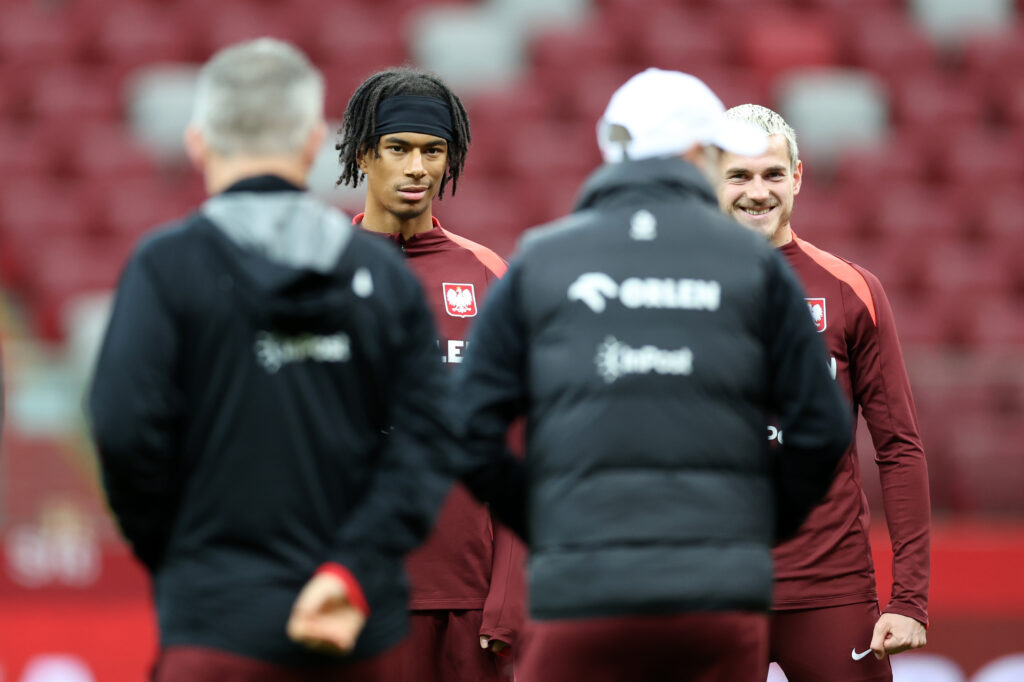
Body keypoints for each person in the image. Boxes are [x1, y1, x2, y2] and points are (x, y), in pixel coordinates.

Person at [449, 68, 852, 681]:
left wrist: (550, 522)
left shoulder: (542, 257)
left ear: (613, 147)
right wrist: (752, 526)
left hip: (582, 589)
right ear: (700, 152)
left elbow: (469, 428)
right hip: (720, 596)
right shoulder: (755, 265)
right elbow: (823, 429)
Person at [88, 38, 455, 681]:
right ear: (314, 142)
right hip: (357, 634)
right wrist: (353, 569)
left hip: (216, 627)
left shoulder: (164, 267)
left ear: (198, 142)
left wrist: (183, 556)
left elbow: (123, 430)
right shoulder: (380, 275)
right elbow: (426, 443)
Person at [716, 104, 930, 682]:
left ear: (798, 177)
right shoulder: (672, 293)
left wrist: (909, 599)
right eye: (738, 175)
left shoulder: (851, 290)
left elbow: (900, 447)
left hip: (831, 589)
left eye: (772, 174)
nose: (757, 192)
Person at [333, 67, 524, 681]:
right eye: (398, 148)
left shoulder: (489, 274)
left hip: (470, 603)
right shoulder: (318, 275)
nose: (417, 167)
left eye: (432, 150)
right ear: (365, 153)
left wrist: (509, 598)